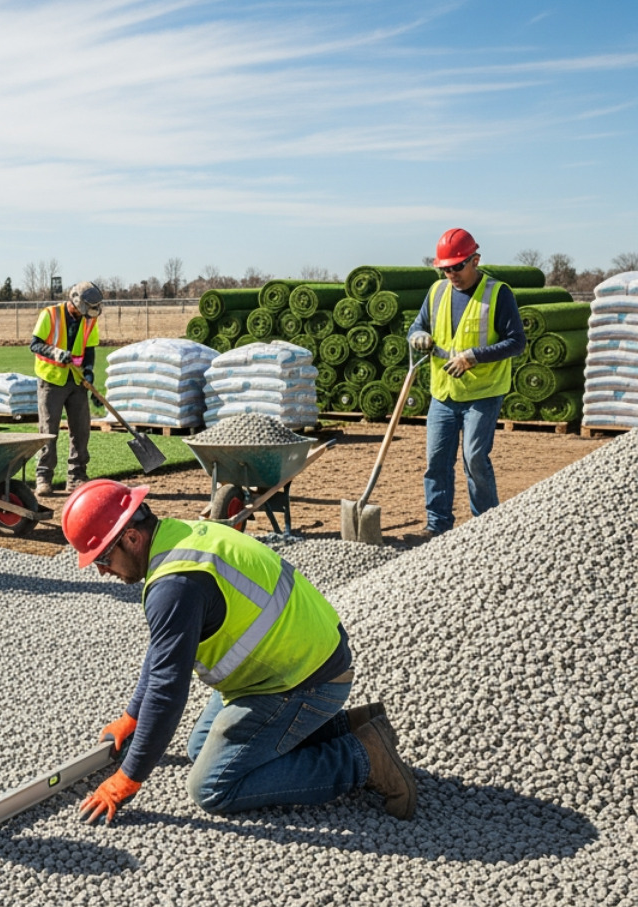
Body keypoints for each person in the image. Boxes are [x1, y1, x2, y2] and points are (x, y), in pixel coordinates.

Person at [59, 480, 416, 824]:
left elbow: (167, 692)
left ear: (132, 537)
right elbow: (163, 648)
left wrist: (128, 778)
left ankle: (362, 758)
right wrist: (132, 715)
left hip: (306, 679)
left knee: (212, 786)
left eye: (102, 557)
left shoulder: (175, 586)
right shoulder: (176, 537)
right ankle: (345, 727)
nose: (102, 570)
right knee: (201, 750)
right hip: (293, 663)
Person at [408, 228, 527, 536]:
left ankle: (486, 527)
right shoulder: (436, 293)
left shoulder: (498, 293)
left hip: (483, 394)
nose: (451, 274)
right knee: (436, 462)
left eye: (457, 266)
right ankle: (438, 527)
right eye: (445, 268)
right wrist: (418, 336)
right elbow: (417, 326)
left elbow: (517, 342)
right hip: (444, 394)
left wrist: (473, 356)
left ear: (475, 260)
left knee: (474, 457)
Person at [30, 281, 104, 497]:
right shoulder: (50, 314)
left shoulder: (90, 319)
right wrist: (55, 353)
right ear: (77, 302)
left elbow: (89, 349)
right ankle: (43, 478)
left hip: (76, 380)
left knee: (81, 431)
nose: (91, 314)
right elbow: (34, 344)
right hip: (51, 380)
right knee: (48, 431)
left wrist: (89, 371)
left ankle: (77, 477)